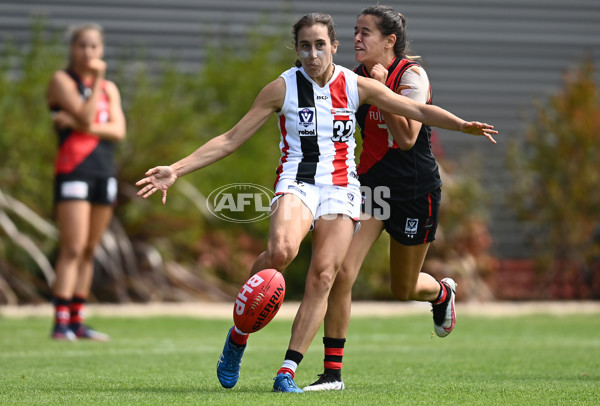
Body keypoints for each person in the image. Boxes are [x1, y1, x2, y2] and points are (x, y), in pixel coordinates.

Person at [135, 12, 496, 393]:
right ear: (297, 49)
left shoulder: (357, 83)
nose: (312, 53)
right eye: (304, 46)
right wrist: (175, 169)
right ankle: (239, 333)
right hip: (298, 182)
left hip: (342, 189)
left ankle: (287, 371)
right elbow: (230, 139)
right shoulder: (281, 88)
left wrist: (461, 125)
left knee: (326, 275)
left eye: (320, 45)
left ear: (333, 47)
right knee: (281, 253)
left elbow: (417, 112)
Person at [302, 6, 498, 391]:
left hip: (414, 191)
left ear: (390, 41)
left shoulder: (410, 76)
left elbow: (407, 137)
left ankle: (441, 293)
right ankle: (332, 375)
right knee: (341, 272)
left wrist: (383, 91)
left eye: (366, 33)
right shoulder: (354, 78)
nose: (357, 39)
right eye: (355, 32)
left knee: (403, 288)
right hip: (372, 188)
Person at [47, 23, 126, 341]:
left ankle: (78, 320)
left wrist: (86, 124)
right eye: (83, 46)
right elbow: (84, 115)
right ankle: (60, 321)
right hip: (73, 170)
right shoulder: (62, 80)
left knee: (90, 249)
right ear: (73, 48)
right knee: (73, 247)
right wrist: (95, 87)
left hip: (103, 171)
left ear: (101, 50)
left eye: (94, 47)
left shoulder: (111, 89)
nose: (88, 52)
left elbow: (118, 132)